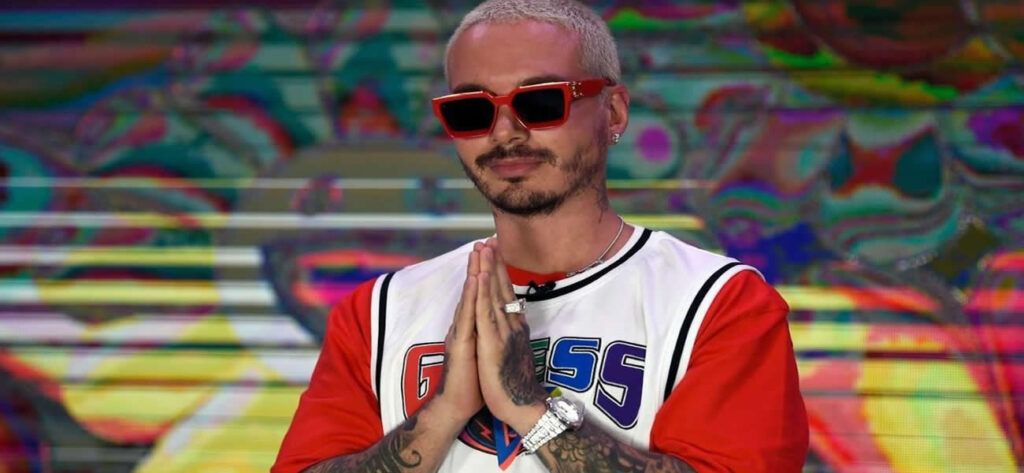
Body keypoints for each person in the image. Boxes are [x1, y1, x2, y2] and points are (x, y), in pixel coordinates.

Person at [272, 1, 808, 471]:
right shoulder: (379, 312)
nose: (505, 132)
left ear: (613, 112)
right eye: (471, 110)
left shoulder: (718, 303)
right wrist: (442, 413)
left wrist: (529, 407)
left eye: (541, 102)